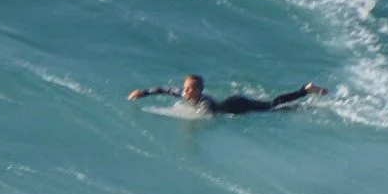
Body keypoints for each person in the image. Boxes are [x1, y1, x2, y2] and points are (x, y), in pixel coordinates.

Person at [129, 74, 325, 116]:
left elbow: (206, 115)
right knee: (274, 107)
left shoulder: (205, 102)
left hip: (238, 106)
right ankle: (304, 96)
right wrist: (143, 92)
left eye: (190, 89)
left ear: (199, 90)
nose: (185, 91)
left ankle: (305, 90)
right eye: (185, 88)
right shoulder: (184, 94)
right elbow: (164, 89)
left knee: (272, 106)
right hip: (232, 103)